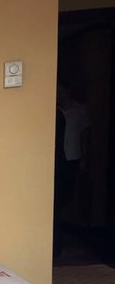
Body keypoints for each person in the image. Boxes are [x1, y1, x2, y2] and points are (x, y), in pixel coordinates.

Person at [54, 80, 91, 258]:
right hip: (58, 159)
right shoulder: (54, 111)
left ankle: (60, 237)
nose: (58, 94)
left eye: (61, 90)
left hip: (73, 157)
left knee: (67, 196)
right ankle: (57, 241)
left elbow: (85, 135)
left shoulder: (80, 111)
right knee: (56, 200)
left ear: (67, 90)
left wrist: (85, 157)